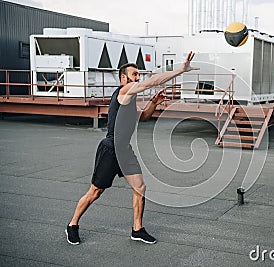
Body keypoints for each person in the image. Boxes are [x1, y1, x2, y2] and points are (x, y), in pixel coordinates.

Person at [65, 51, 198, 245]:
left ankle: (137, 229)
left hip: (124, 151)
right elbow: (151, 82)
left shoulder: (129, 98)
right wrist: (181, 70)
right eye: (134, 74)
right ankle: (72, 225)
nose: (138, 77)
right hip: (110, 149)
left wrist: (153, 103)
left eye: (139, 74)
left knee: (140, 188)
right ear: (123, 78)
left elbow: (142, 117)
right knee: (95, 192)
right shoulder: (123, 92)